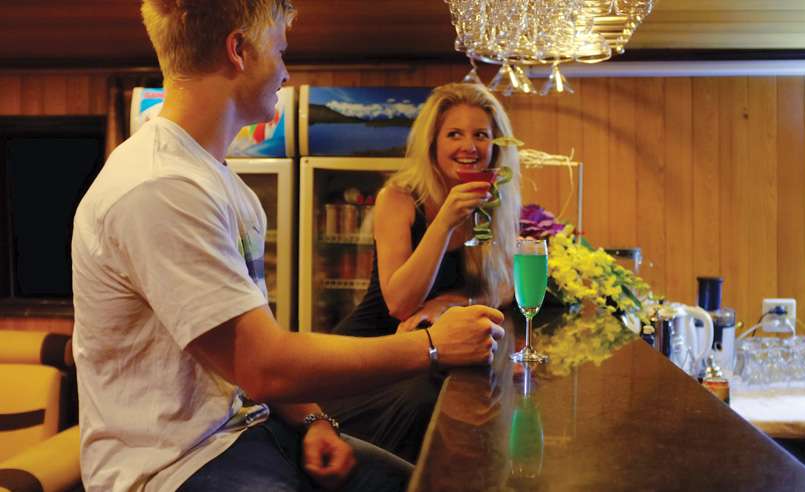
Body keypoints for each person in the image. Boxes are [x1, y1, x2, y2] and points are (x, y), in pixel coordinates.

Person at [71, 2, 504, 491]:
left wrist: (312, 419)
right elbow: (262, 365)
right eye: (278, 51)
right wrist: (431, 346)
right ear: (238, 50)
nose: (285, 72)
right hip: (175, 469)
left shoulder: (221, 185)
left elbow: (245, 354)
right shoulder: (160, 186)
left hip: (245, 434)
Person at [323, 82, 521, 462]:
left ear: (496, 145)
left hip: (429, 357)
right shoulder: (399, 197)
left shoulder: (490, 201)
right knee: (429, 412)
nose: (469, 146)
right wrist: (444, 220)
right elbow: (399, 304)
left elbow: (500, 286)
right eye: (454, 134)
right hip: (373, 357)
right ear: (432, 144)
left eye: (481, 135)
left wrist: (447, 303)